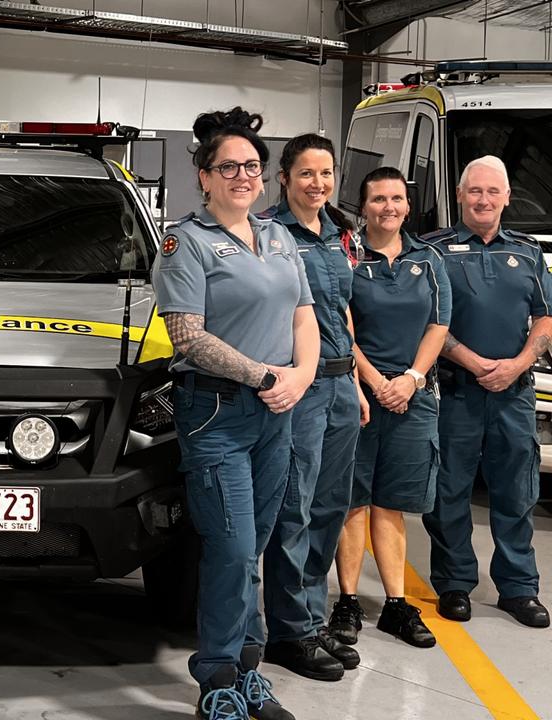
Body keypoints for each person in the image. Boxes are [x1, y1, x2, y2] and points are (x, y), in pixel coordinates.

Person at [152, 108, 319, 720]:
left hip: (279, 411)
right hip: (217, 414)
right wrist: (265, 375)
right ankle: (217, 680)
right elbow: (187, 337)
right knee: (231, 546)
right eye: (229, 167)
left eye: (252, 166)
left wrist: (299, 376)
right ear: (205, 175)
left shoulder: (278, 237)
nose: (243, 176)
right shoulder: (185, 242)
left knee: (256, 546)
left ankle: (249, 672)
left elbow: (305, 315)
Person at [421, 155, 552, 629]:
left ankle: (519, 588)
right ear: (459, 195)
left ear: (507, 198)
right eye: (475, 191)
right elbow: (429, 318)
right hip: (456, 392)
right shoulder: (432, 250)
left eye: (492, 192)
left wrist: (519, 363)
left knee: (517, 491)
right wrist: (473, 362)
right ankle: (455, 584)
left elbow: (545, 316)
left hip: (513, 393)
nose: (483, 199)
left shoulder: (529, 252)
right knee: (449, 491)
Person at [329, 167, 450, 650]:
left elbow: (439, 327)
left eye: (397, 198)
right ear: (364, 206)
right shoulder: (348, 257)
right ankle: (348, 601)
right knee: (354, 501)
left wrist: (411, 380)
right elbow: (342, 326)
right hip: (357, 396)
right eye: (378, 198)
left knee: (392, 503)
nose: (389, 207)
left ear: (407, 204)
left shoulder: (430, 259)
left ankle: (397, 605)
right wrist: (378, 381)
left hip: (411, 397)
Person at [258, 134, 363, 681]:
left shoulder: (341, 236)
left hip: (342, 387)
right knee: (293, 509)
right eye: (306, 174)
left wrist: (360, 388)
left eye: (326, 173)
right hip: (300, 389)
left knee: (329, 506)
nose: (317, 184)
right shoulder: (269, 235)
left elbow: (342, 314)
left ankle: (313, 619)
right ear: (284, 178)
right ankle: (288, 631)